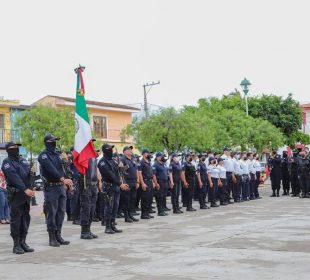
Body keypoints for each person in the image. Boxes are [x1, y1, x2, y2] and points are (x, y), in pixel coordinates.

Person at [38, 134, 73, 247]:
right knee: (51, 213)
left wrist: (65, 161)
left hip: (61, 187)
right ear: (47, 142)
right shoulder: (43, 156)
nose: (55, 143)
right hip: (51, 187)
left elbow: (65, 170)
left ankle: (58, 235)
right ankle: (52, 238)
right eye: (53, 141)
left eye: (55, 141)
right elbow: (51, 169)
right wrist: (63, 179)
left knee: (61, 212)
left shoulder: (58, 154)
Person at [1, 141, 35, 254]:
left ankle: (23, 242)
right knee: (16, 219)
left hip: (26, 195)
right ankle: (16, 245)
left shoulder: (23, 160)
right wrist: (25, 189)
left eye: (17, 147)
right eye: (13, 147)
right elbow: (14, 177)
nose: (16, 148)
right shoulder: (7, 162)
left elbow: (28, 176)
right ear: (8, 149)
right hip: (16, 195)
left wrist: (31, 184)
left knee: (25, 219)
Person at [98, 143, 128, 234]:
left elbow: (118, 173)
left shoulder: (113, 161)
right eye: (109, 149)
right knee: (109, 207)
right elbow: (110, 175)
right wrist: (120, 184)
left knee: (115, 207)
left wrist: (121, 167)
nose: (111, 150)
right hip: (108, 187)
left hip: (116, 187)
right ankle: (107, 227)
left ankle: (112, 225)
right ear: (105, 150)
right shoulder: (102, 162)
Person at [79, 139, 99, 239]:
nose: (92, 144)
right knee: (86, 209)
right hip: (86, 185)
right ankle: (84, 231)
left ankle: (89, 229)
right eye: (91, 142)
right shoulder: (84, 155)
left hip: (94, 185)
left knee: (92, 209)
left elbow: (95, 170)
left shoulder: (94, 156)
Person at [120, 146, 139, 223]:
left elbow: (136, 170)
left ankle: (131, 214)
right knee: (126, 200)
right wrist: (123, 183)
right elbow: (120, 172)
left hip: (133, 181)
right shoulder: (122, 159)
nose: (131, 150)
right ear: (124, 151)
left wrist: (137, 181)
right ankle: (126, 216)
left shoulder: (133, 159)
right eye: (128, 149)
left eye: (131, 149)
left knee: (132, 199)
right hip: (127, 182)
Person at [138, 149, 155, 219]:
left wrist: (153, 182)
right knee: (145, 198)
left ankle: (147, 212)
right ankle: (143, 214)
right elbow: (139, 173)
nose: (149, 154)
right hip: (145, 181)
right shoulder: (141, 162)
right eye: (148, 153)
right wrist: (142, 183)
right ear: (144, 154)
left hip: (150, 181)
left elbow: (151, 173)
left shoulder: (149, 162)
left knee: (149, 198)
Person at [153, 152, 169, 216]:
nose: (162, 157)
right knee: (159, 197)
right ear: (157, 157)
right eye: (161, 156)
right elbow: (153, 175)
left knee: (163, 197)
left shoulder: (163, 164)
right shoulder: (155, 165)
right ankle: (160, 211)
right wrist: (156, 183)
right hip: (160, 182)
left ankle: (162, 210)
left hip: (165, 182)